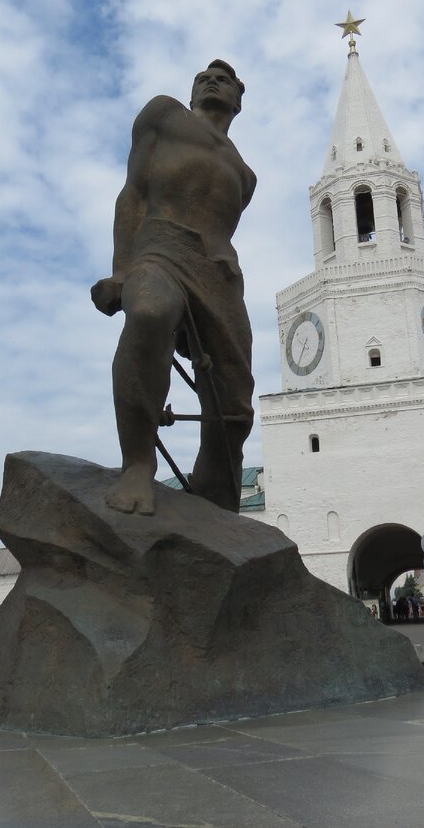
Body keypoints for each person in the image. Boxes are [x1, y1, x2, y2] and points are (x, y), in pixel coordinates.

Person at [91, 60, 257, 517]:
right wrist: (121, 271)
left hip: (220, 272)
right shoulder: (164, 115)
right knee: (149, 313)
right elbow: (133, 194)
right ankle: (138, 465)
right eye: (203, 76)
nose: (210, 80)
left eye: (223, 78)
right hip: (160, 246)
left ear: (239, 98)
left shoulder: (245, 176)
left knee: (235, 403)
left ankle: (217, 503)